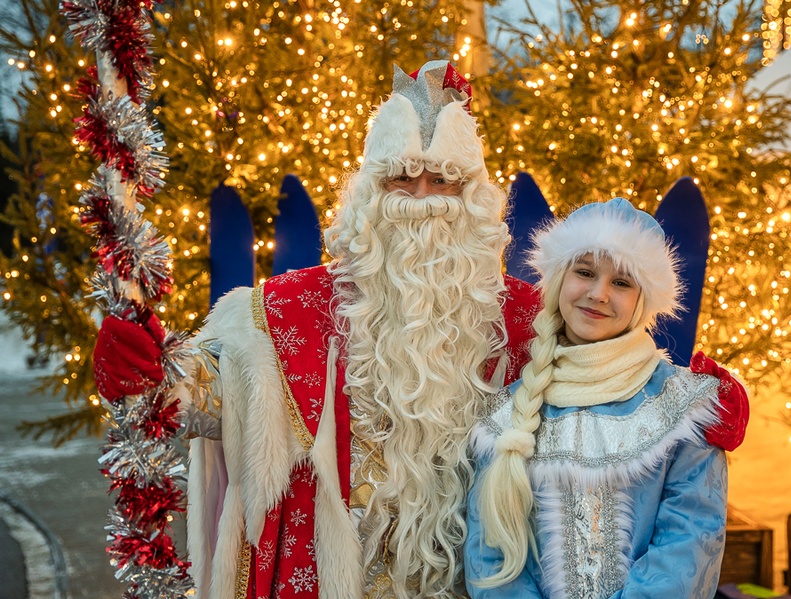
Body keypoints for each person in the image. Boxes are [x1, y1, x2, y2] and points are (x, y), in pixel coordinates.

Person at [92, 61, 746, 599]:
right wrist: (161, 375)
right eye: (403, 179)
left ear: (474, 202)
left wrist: (710, 402)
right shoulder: (296, 308)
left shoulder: (521, 318)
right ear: (371, 196)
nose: (423, 197)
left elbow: (614, 365)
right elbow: (228, 387)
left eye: (443, 181)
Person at [465, 198, 731, 598]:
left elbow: (690, 536)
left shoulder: (684, 404)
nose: (598, 293)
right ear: (558, 281)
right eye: (584, 272)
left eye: (621, 283)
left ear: (643, 300)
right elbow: (489, 554)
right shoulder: (504, 414)